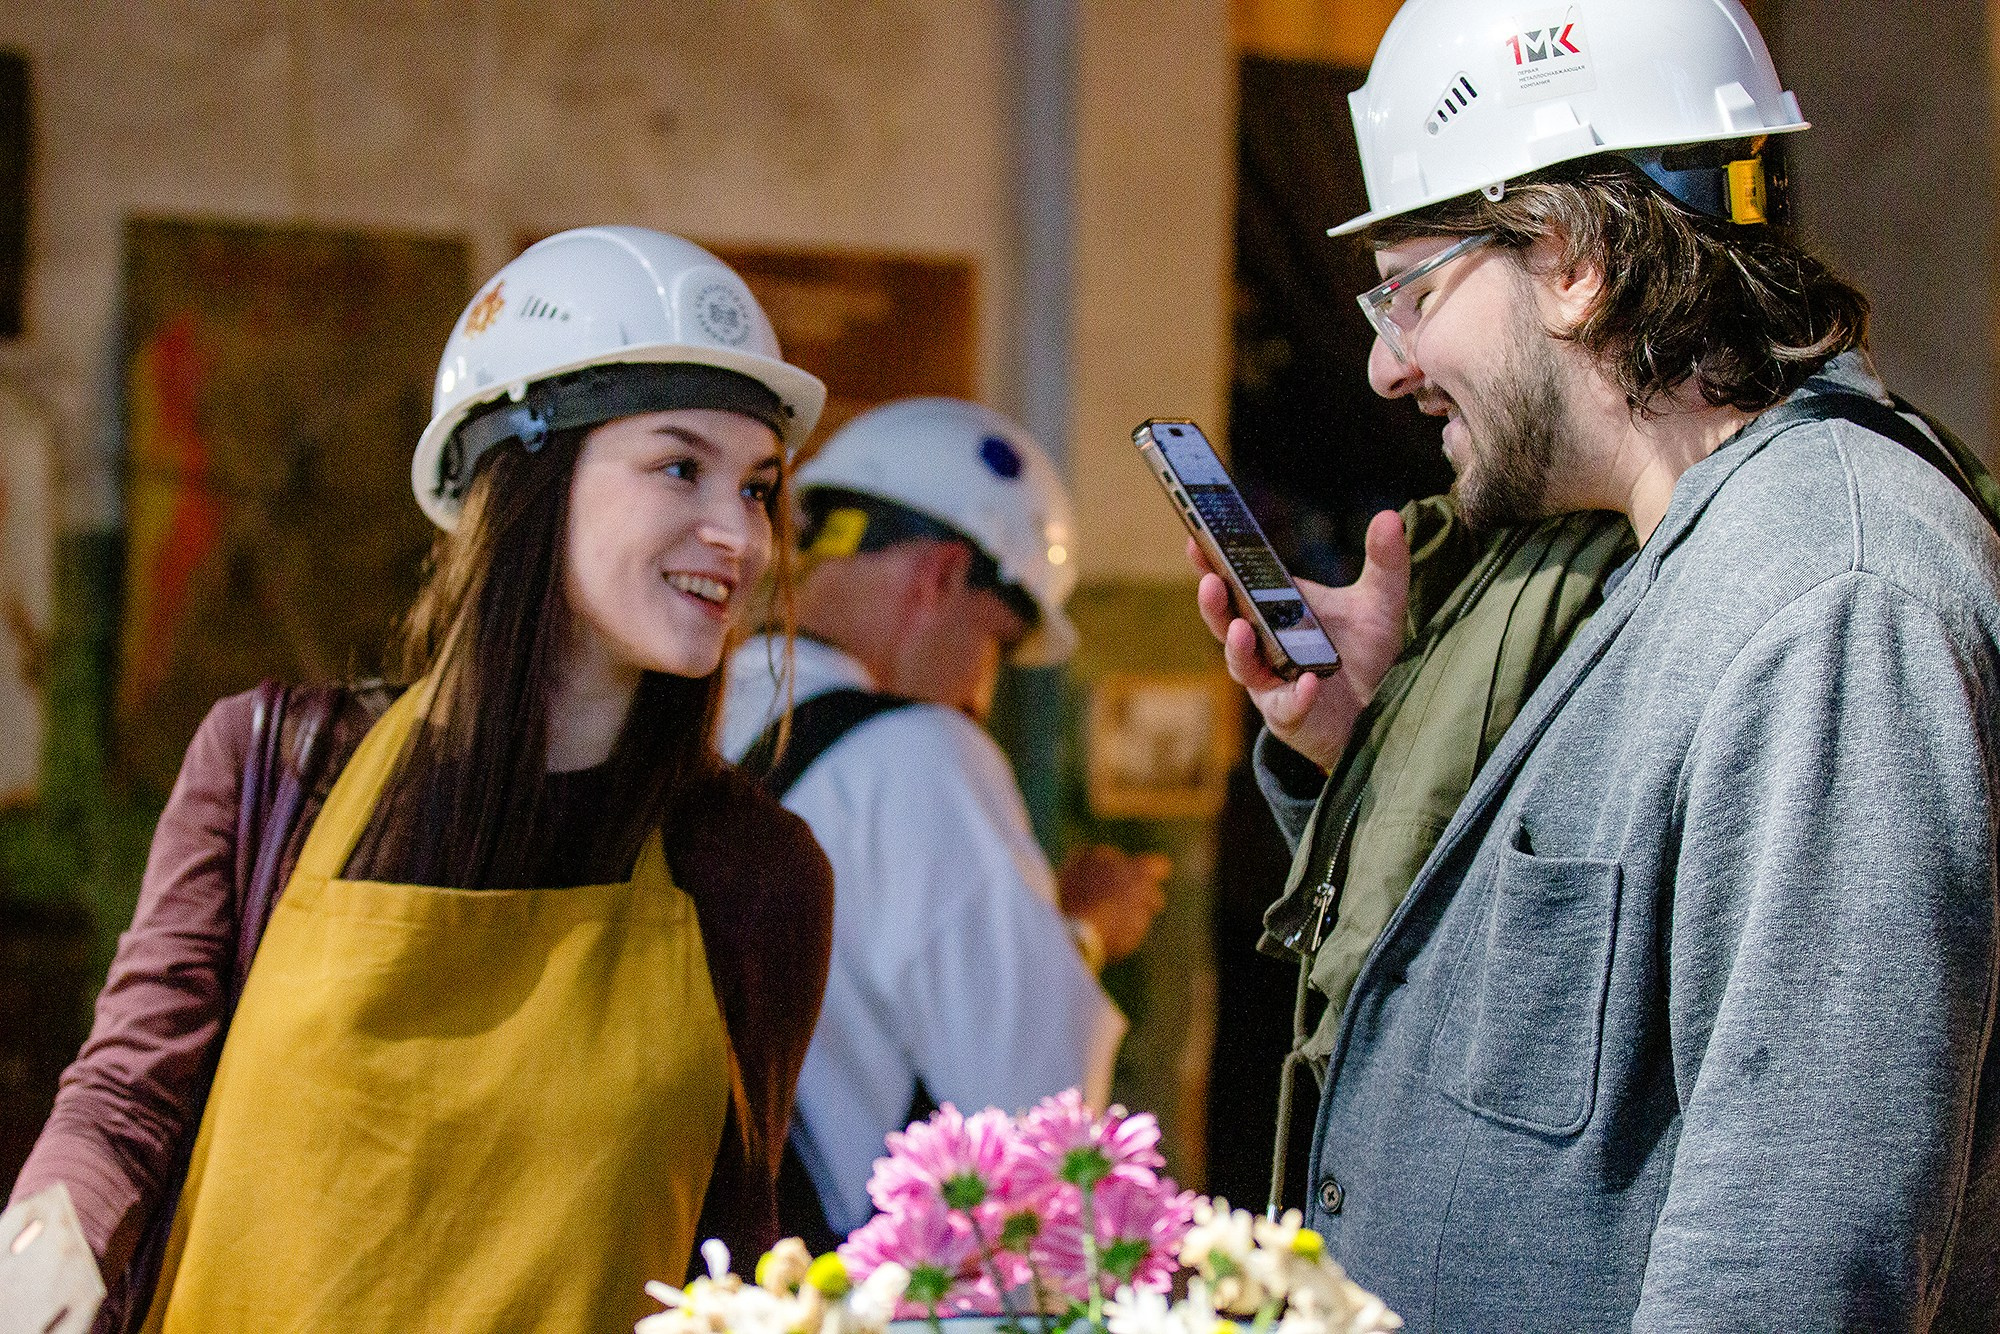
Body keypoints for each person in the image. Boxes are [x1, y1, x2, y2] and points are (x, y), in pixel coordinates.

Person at [1198, 0, 2000, 1327]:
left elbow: (1791, 1261)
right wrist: (1364, 746)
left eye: (1411, 289)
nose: (1385, 365)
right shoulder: (1680, 560)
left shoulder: (1834, 593)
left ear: (1570, 261)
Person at [8, 226, 836, 1332]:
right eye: (681, 465)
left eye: (758, 486)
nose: (738, 532)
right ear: (521, 475)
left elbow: (733, 1254)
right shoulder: (276, 768)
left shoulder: (755, 874)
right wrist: (33, 1269)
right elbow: (125, 1100)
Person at [718, 397, 1169, 1244]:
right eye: (997, 645)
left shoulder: (700, 707)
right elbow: (1037, 1116)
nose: (982, 693)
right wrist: (1086, 935)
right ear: (942, 576)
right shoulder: (918, 754)